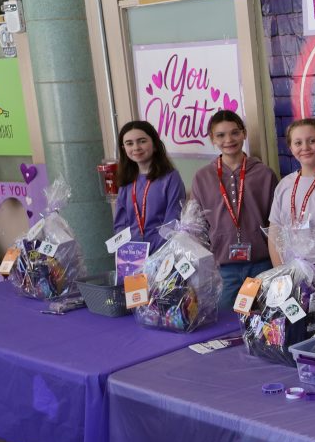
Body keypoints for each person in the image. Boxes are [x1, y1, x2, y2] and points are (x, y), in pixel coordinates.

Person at [190, 109, 278, 310]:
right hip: (223, 267)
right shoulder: (202, 177)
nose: (228, 139)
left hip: (261, 263)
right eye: (220, 135)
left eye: (235, 132)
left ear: (244, 133)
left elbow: (276, 222)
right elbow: (198, 226)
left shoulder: (264, 173)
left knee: (263, 320)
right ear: (212, 138)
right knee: (225, 324)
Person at [267, 118, 315, 267]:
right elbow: (274, 233)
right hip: (288, 267)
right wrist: (281, 272)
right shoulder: (284, 185)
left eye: (312, 141)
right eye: (298, 143)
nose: (305, 147)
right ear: (291, 148)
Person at [111, 120, 185, 251]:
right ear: (124, 149)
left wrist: (153, 251)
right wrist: (129, 249)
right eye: (129, 143)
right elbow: (120, 224)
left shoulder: (171, 177)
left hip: (162, 252)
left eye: (142, 141)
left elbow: (173, 221)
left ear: (155, 145)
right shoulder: (127, 181)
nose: (136, 147)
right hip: (132, 254)